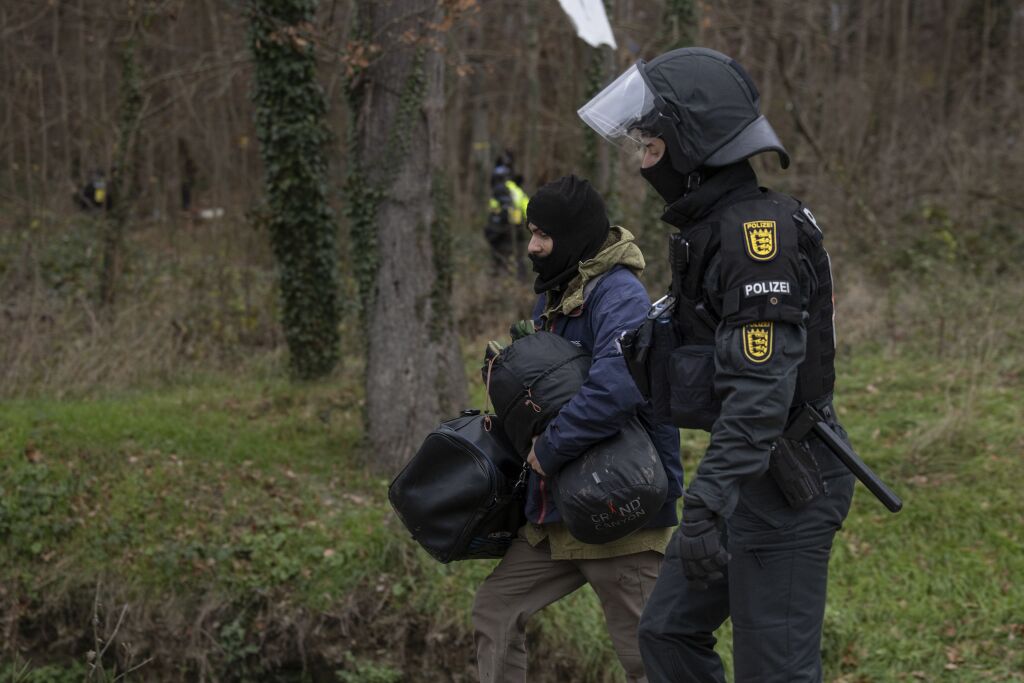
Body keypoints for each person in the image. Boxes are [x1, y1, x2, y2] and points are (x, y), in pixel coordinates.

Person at [578, 47, 855, 681]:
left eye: (651, 144)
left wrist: (704, 508)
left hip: (788, 478)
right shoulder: (713, 229)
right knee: (668, 633)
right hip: (740, 474)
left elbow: (759, 400)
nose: (644, 158)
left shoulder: (758, 243)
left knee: (773, 672)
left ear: (690, 146)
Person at [472, 175, 683, 683]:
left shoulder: (621, 295)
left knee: (646, 658)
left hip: (620, 509)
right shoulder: (555, 292)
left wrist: (552, 447)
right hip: (556, 510)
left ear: (570, 235)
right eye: (531, 233)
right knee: (495, 612)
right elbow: (544, 387)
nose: (532, 247)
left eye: (542, 235)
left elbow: (619, 385)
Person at [484, 155, 530, 275]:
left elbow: (493, 210)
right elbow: (528, 210)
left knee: (501, 258)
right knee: (517, 257)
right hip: (516, 228)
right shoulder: (518, 191)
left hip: (502, 231)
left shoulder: (497, 191)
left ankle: (503, 280)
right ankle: (518, 280)